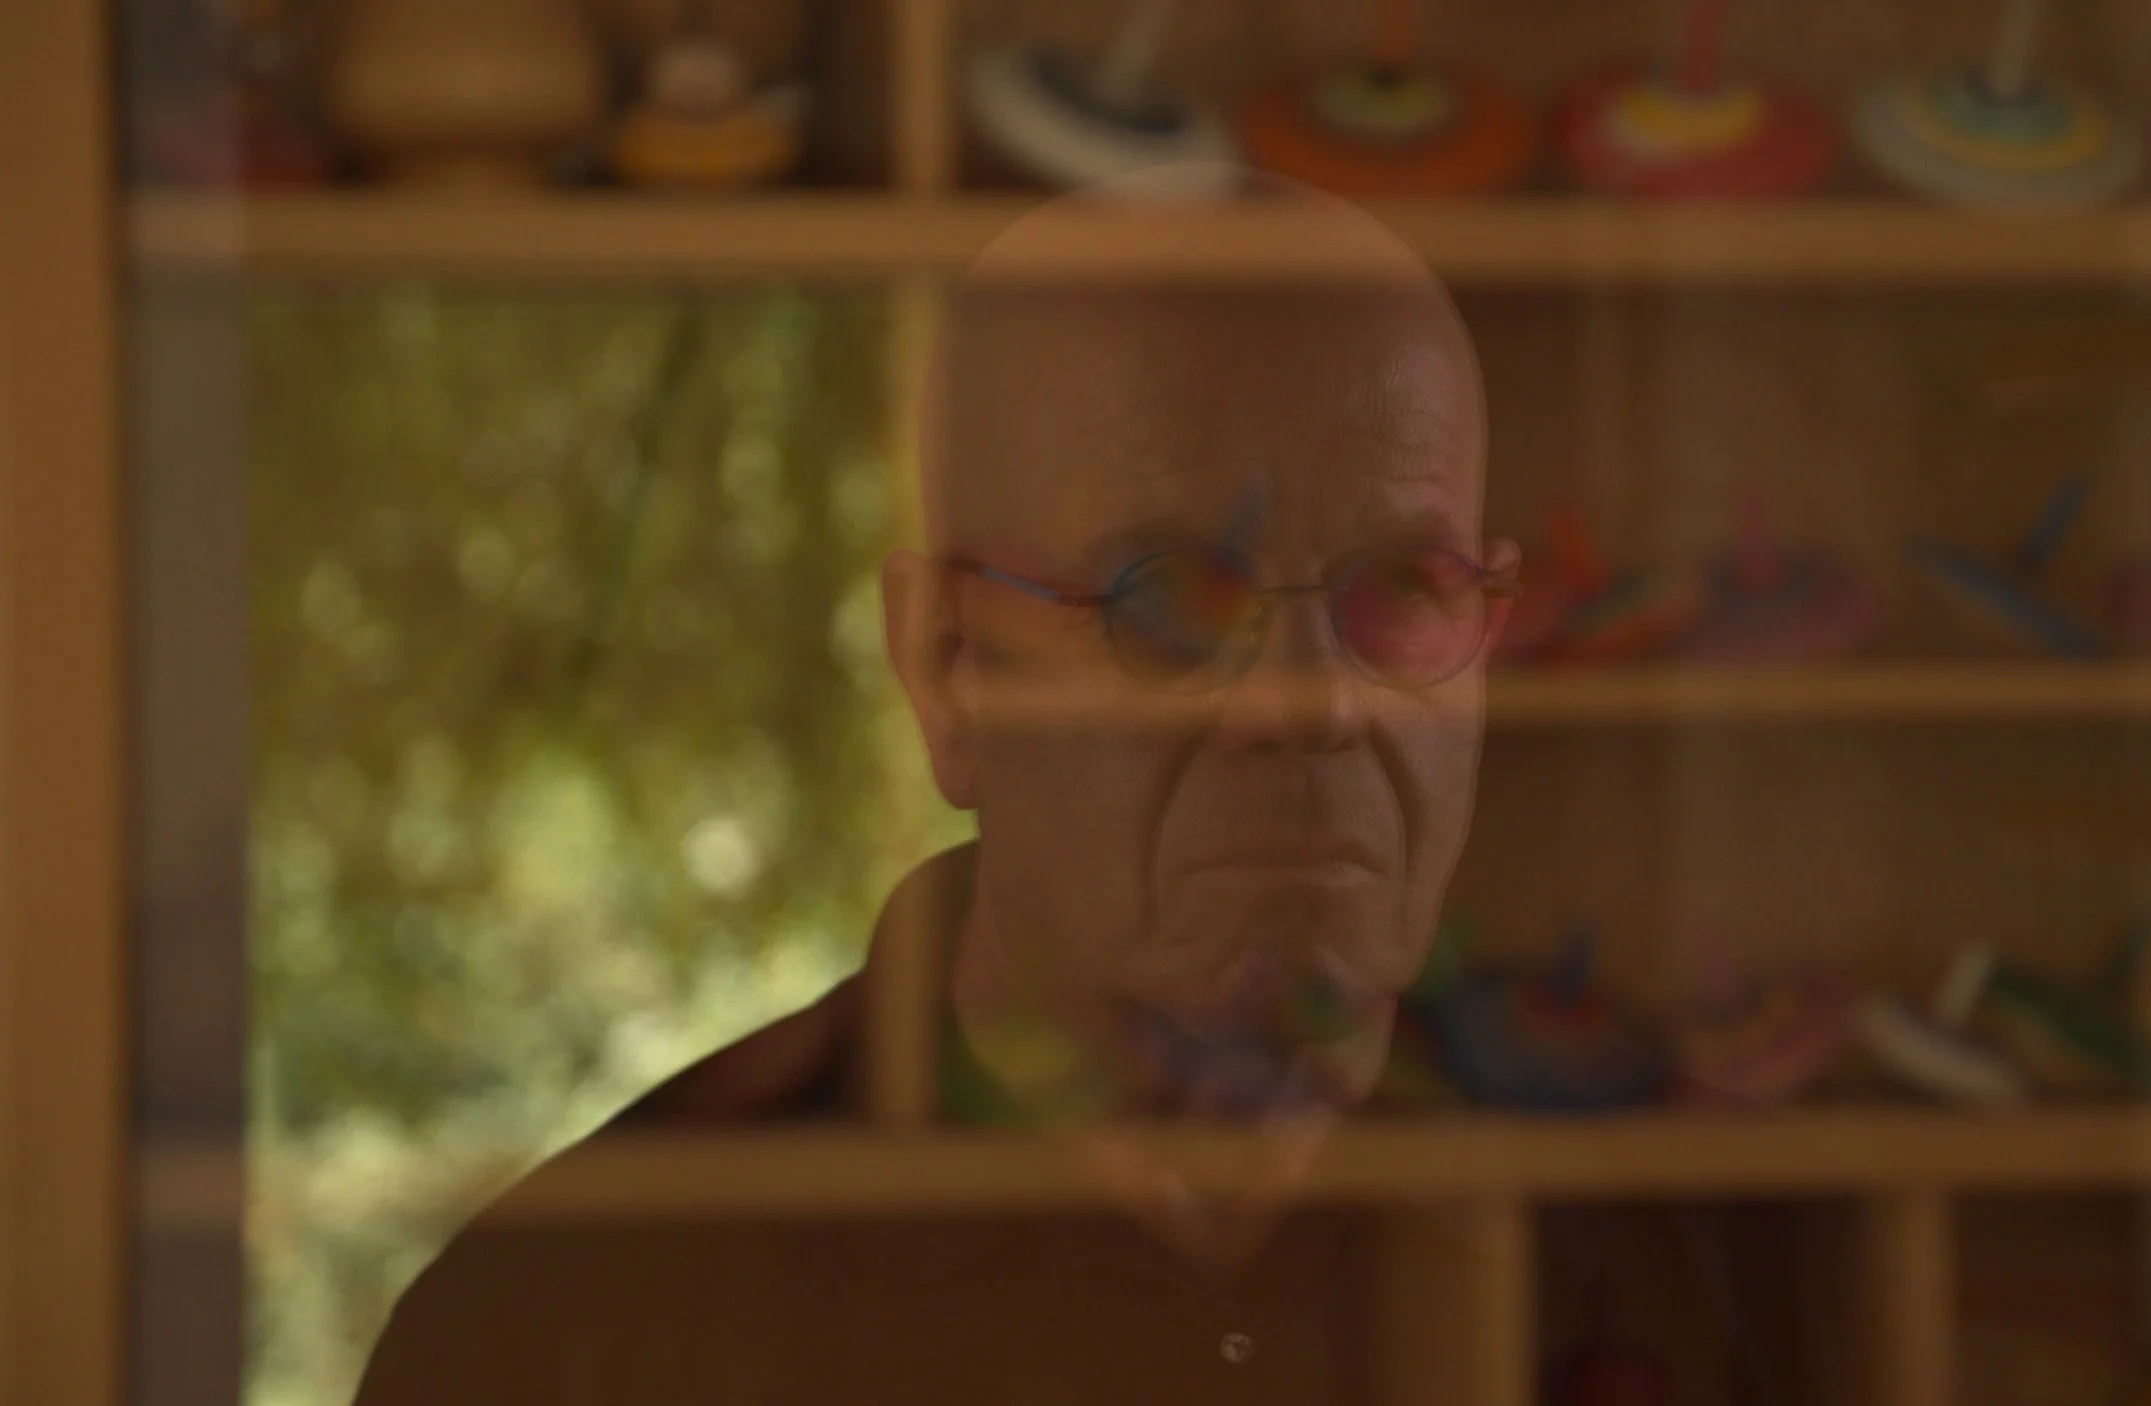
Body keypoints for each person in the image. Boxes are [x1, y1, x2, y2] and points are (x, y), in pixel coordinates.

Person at [352, 168, 1518, 1406]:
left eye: (1402, 591)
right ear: (947, 671)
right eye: (1170, 602)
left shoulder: (1666, 1250)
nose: (1310, 708)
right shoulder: (572, 1329)